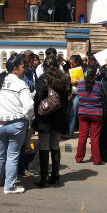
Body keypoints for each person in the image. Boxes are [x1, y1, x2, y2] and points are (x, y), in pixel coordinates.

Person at [0, 55, 34, 194]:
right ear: (15, 69)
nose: (25, 70)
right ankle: (9, 186)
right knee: (13, 155)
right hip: (17, 124)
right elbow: (28, 107)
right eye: (23, 67)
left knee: (0, 154)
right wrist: (27, 118)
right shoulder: (22, 85)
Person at [33, 55, 71, 187]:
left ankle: (44, 178)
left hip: (45, 118)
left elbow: (39, 98)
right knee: (55, 145)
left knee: (43, 145)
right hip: (58, 117)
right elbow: (66, 100)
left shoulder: (43, 79)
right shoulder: (64, 79)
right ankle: (55, 175)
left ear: (45, 67)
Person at [75, 64, 104, 165]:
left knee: (82, 136)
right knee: (94, 137)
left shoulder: (79, 84)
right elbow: (103, 97)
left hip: (83, 113)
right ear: (95, 74)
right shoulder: (99, 85)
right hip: (96, 114)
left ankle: (79, 157)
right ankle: (96, 160)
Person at [65, 54, 83, 139]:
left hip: (79, 94)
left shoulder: (82, 71)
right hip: (72, 93)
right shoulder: (70, 71)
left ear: (77, 63)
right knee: (70, 112)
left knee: (73, 113)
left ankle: (70, 132)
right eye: (70, 64)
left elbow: (85, 83)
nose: (71, 66)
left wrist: (77, 83)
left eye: (73, 64)